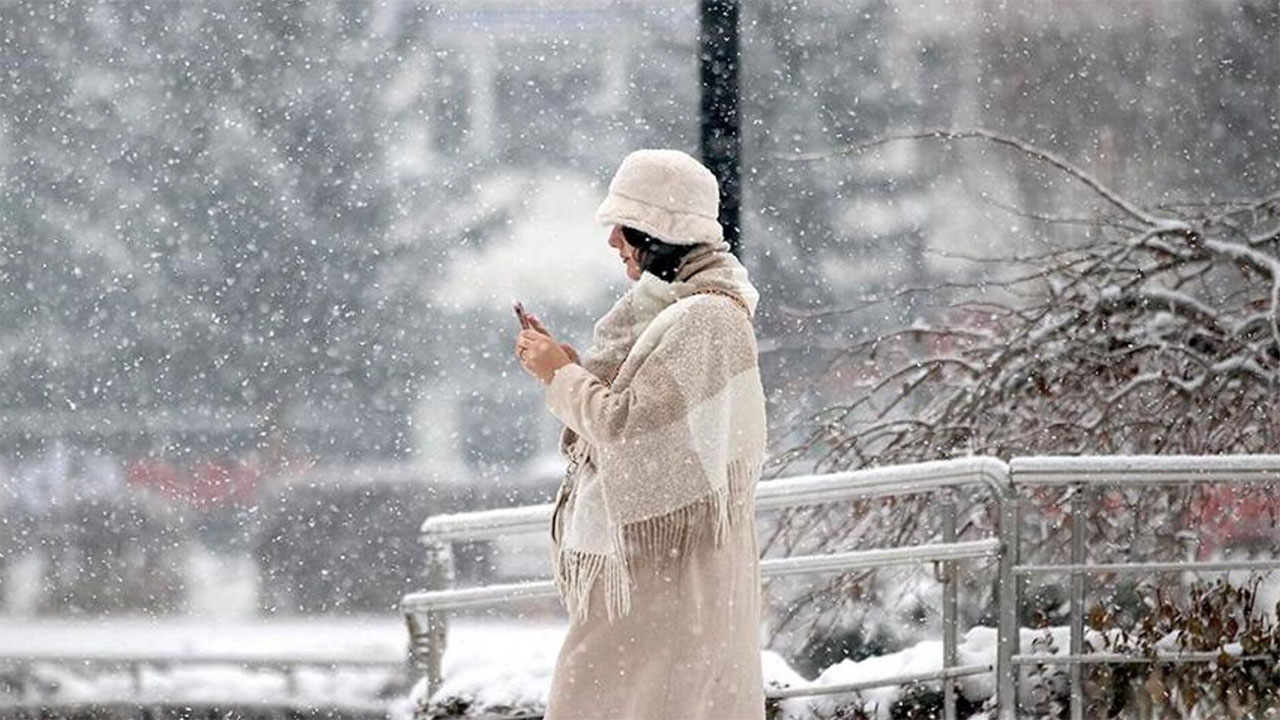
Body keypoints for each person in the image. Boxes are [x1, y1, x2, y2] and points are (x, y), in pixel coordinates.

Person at [514, 149, 767, 720]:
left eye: (623, 227)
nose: (613, 242)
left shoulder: (705, 319)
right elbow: (639, 419)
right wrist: (570, 369)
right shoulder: (673, 311)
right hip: (653, 573)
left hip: (666, 578)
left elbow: (628, 430)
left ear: (659, 231)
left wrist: (560, 374)